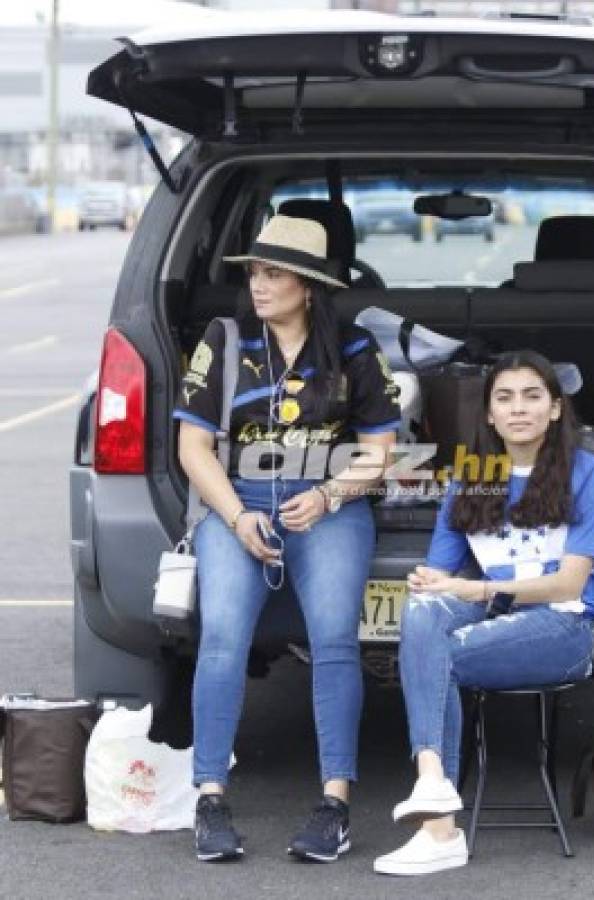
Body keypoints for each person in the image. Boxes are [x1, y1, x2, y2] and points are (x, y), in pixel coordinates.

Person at [174, 214, 400, 863]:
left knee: (333, 641)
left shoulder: (352, 350)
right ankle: (210, 799)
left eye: (272, 273)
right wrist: (237, 516)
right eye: (254, 272)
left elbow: (382, 452)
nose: (258, 284)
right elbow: (193, 447)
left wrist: (329, 494)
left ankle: (334, 805)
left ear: (307, 286)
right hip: (236, 502)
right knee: (221, 639)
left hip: (326, 508)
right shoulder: (224, 340)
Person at [373, 350, 594, 876]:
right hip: (496, 619)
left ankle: (437, 824)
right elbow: (440, 578)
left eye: (532, 396)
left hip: (566, 625)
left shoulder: (587, 472)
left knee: (439, 655)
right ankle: (434, 788)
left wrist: (476, 589)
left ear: (555, 408)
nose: (518, 409)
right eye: (504, 398)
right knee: (422, 614)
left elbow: (570, 583)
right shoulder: (472, 476)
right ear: (488, 414)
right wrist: (431, 582)